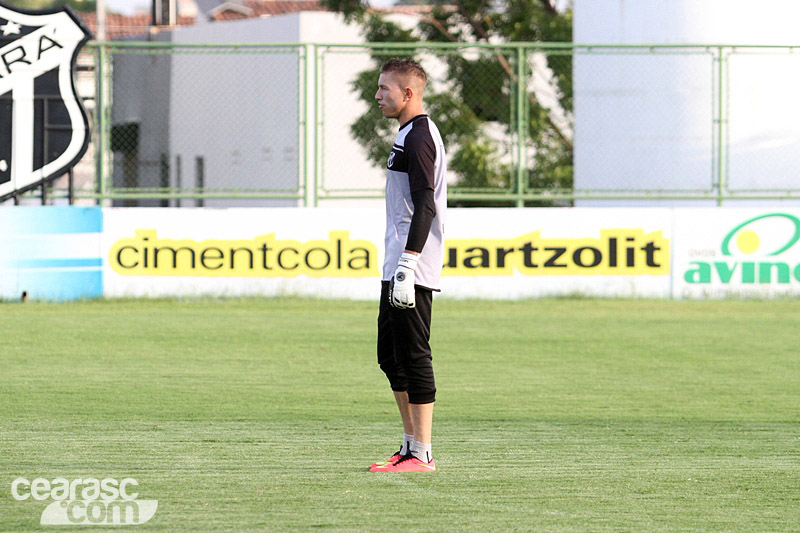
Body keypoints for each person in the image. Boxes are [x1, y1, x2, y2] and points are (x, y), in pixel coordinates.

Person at [368, 58, 447, 473]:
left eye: (384, 88)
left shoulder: (419, 137)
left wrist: (408, 264)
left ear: (408, 94)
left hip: (410, 267)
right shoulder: (407, 133)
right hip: (397, 262)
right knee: (389, 356)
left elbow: (426, 205)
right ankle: (409, 444)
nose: (378, 95)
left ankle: (424, 453)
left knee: (414, 355)